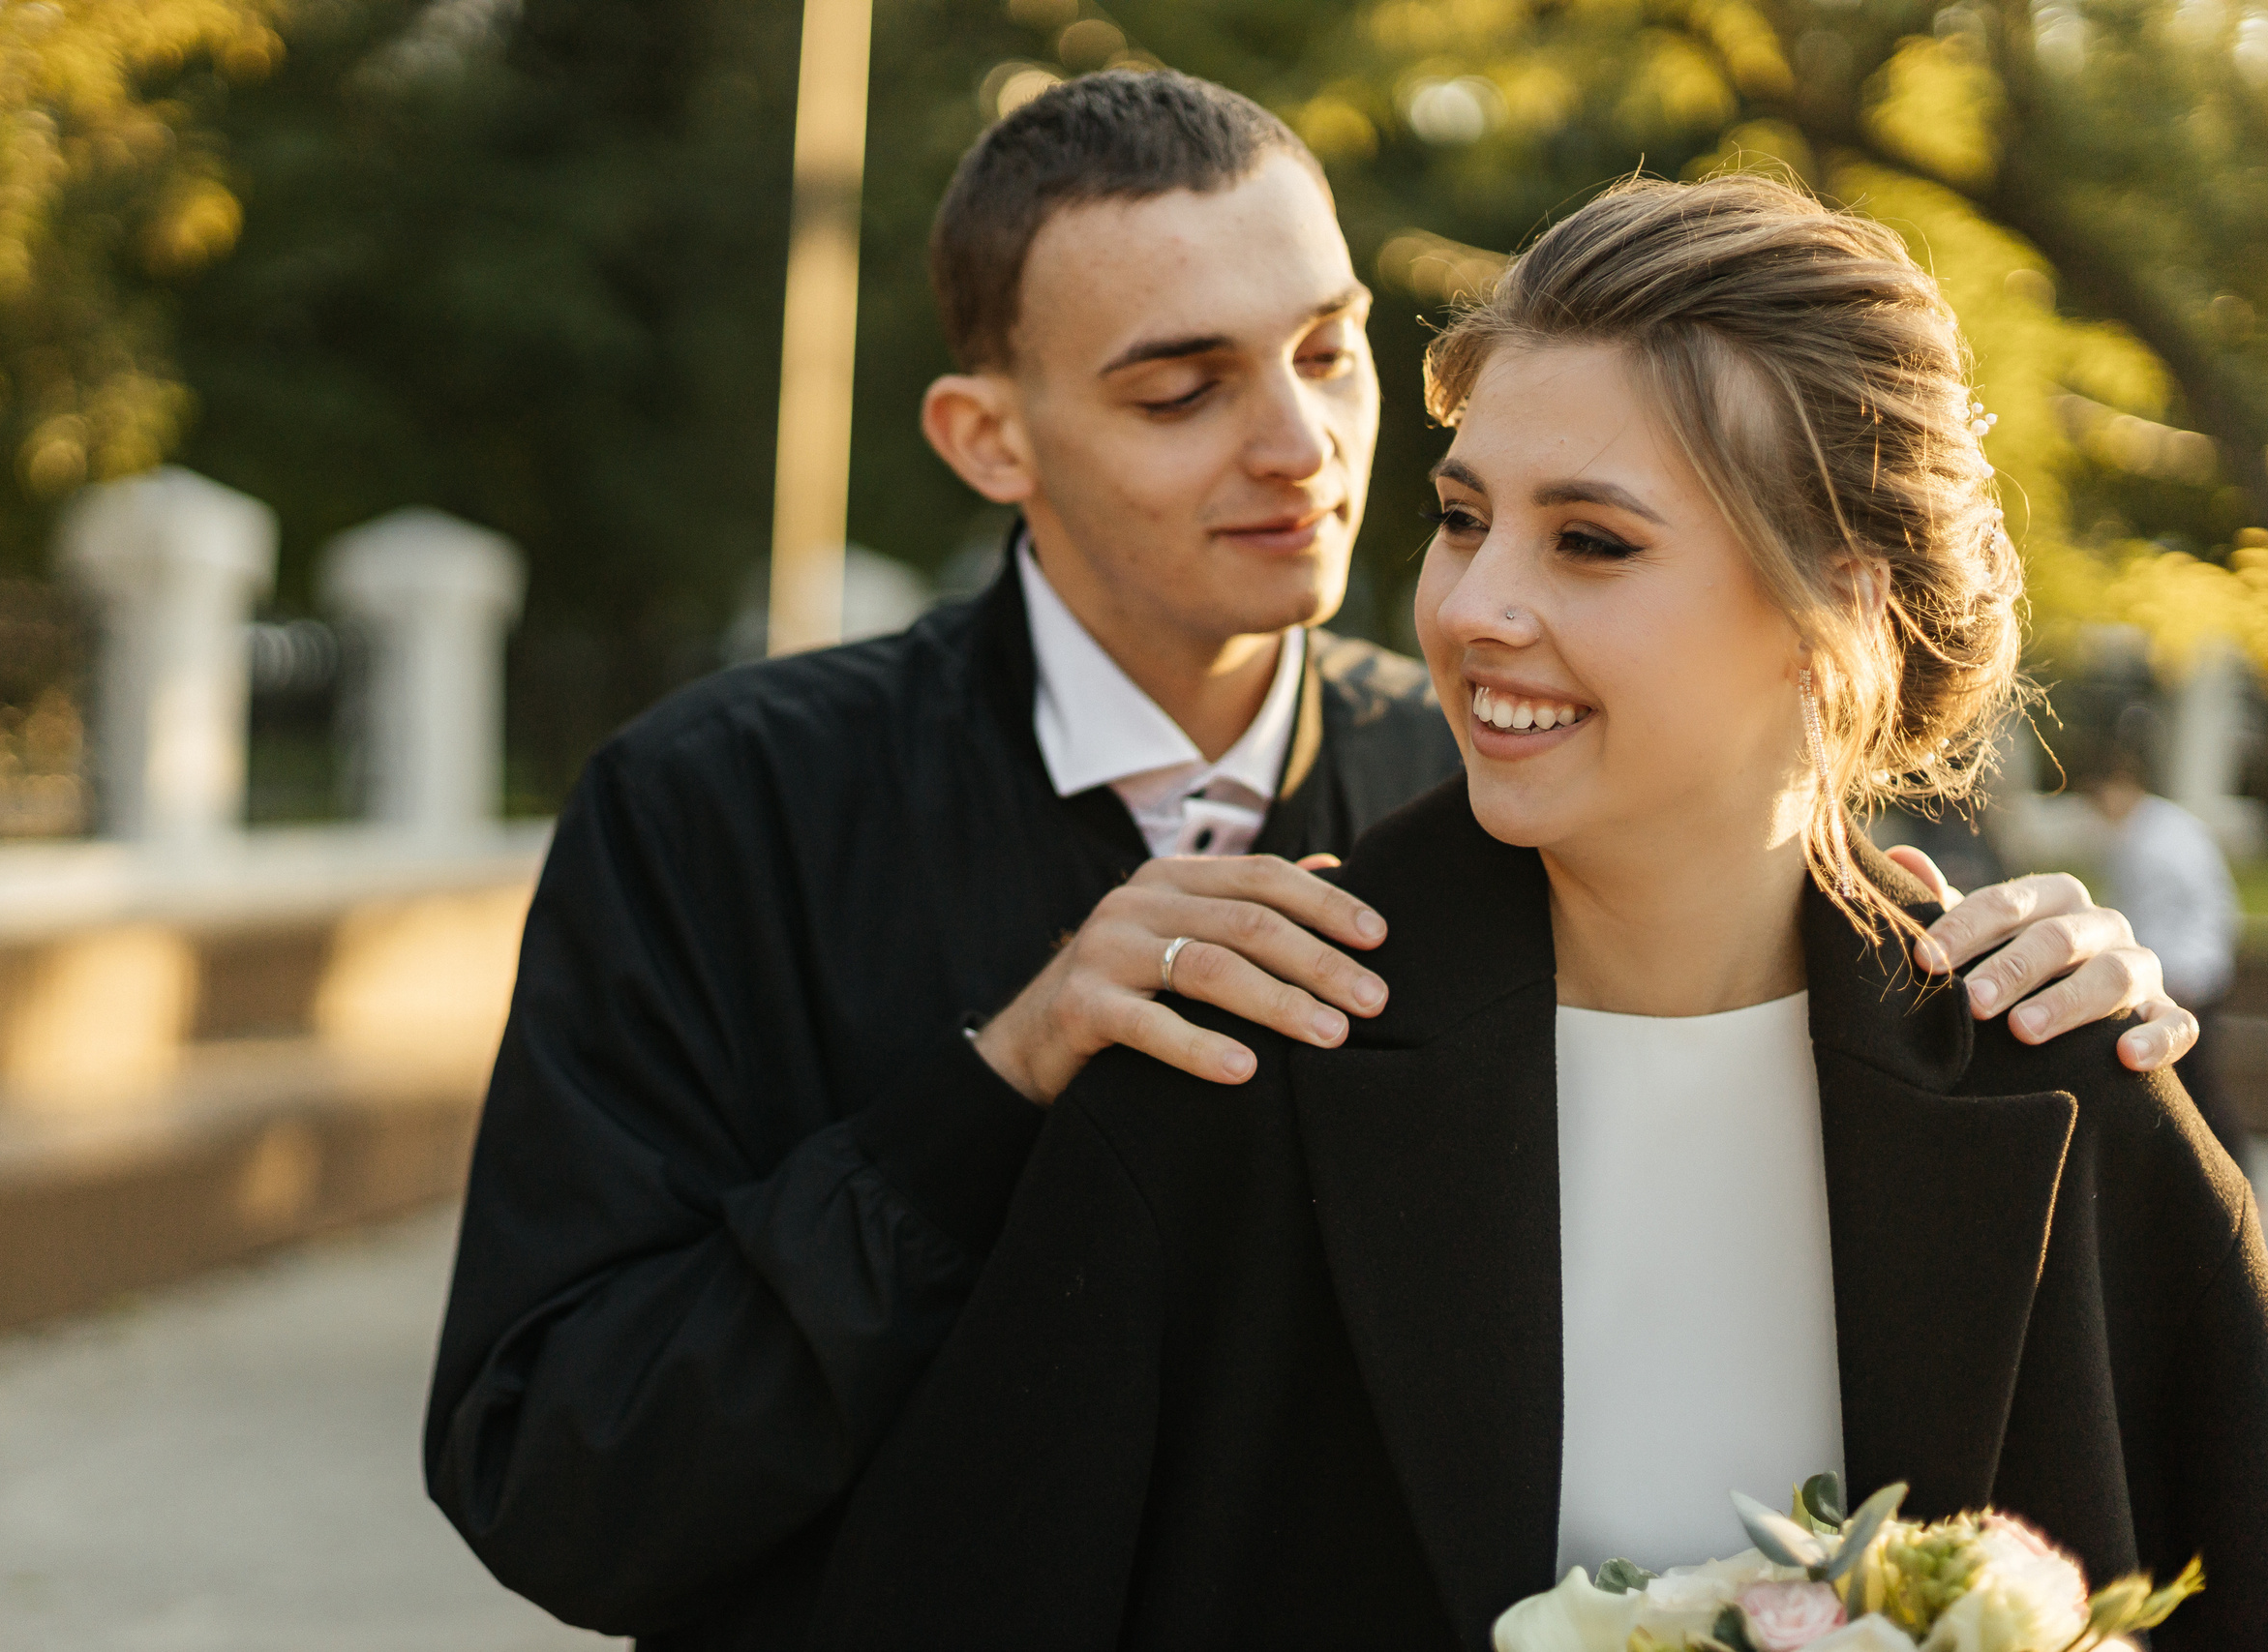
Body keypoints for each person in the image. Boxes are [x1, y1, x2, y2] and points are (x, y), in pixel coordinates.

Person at [424, 75, 2198, 1648]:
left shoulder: (1535, 778)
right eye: (1183, 388)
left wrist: (2028, 979)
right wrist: (987, 1096)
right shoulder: (722, 810)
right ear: (988, 438)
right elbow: (561, 1473)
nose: (1301, 448)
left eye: (1332, 350)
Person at [2094, 744, 2248, 1156]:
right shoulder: (2164, 827)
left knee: (2190, 1082)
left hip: (2183, 975)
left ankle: (2227, 1163)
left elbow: (2140, 921)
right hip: (2201, 968)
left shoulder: (2146, 842)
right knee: (2194, 1080)